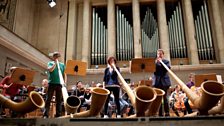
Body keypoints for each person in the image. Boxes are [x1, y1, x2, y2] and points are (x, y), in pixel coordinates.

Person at [43, 51, 67, 118]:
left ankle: (58, 115)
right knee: (48, 99)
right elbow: (50, 70)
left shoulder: (62, 65)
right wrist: (55, 64)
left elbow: (64, 74)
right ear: (53, 57)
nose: (56, 57)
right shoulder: (50, 63)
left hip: (59, 84)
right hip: (51, 83)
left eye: (57, 56)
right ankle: (45, 114)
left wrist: (64, 82)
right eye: (55, 56)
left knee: (59, 100)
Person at [152, 49, 171, 116]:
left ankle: (167, 113)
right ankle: (160, 113)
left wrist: (160, 63)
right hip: (157, 82)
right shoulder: (154, 62)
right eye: (158, 54)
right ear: (157, 55)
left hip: (164, 82)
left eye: (160, 54)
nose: (159, 55)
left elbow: (167, 68)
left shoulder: (166, 61)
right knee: (158, 99)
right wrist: (157, 63)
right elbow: (153, 70)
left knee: (165, 98)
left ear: (163, 55)